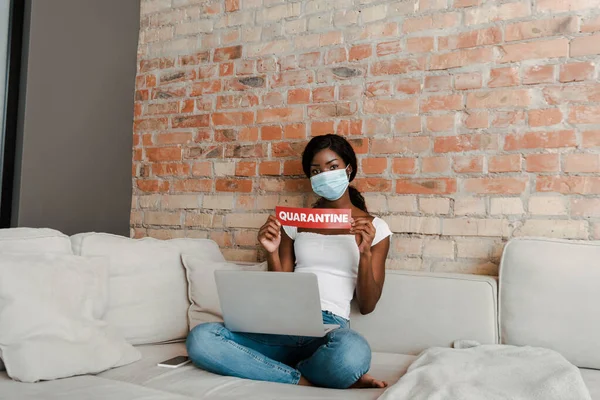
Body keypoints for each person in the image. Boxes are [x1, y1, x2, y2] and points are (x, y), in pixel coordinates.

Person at [186, 134, 393, 389]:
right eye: (316, 171)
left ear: (348, 169)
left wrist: (365, 253)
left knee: (352, 352)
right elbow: (280, 285)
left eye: (333, 167)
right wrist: (271, 252)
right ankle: (299, 378)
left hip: (328, 328)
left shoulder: (376, 228)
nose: (324, 175)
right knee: (201, 338)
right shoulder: (293, 222)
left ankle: (275, 368)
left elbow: (368, 305)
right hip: (280, 323)